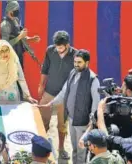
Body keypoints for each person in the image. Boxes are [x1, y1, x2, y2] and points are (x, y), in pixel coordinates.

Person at [37, 49, 101, 164]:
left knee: (82, 152)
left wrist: (91, 124)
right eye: (75, 62)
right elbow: (63, 92)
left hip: (83, 123)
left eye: (79, 62)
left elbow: (95, 104)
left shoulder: (93, 80)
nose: (76, 65)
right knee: (74, 149)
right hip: (71, 119)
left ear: (87, 63)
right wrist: (50, 104)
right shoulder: (72, 73)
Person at [38, 30, 78, 159]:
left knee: (62, 125)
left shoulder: (75, 55)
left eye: (61, 46)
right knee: (42, 121)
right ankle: (40, 148)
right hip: (49, 92)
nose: (59, 49)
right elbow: (45, 69)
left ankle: (61, 148)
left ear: (67, 44)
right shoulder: (50, 51)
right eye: (57, 46)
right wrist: (41, 86)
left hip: (65, 96)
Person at [0, 40, 37, 104]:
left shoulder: (14, 62)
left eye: (7, 50)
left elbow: (21, 79)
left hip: (13, 97)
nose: (5, 53)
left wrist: (28, 96)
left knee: (13, 113)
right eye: (2, 51)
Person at [0, 1, 40, 69]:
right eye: (15, 10)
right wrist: (20, 36)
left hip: (18, 55)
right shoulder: (5, 24)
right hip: (9, 58)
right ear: (10, 11)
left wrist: (30, 39)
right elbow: (5, 44)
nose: (17, 11)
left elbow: (20, 35)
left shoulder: (16, 20)